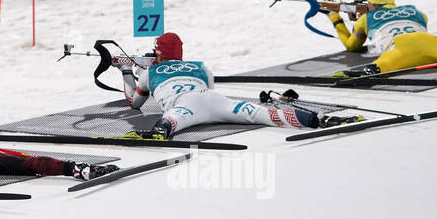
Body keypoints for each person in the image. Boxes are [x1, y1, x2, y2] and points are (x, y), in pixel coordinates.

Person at [115, 32, 351, 140]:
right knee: (266, 114)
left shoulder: (150, 71)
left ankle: (159, 133)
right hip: (215, 99)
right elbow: (208, 88)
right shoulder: (201, 66)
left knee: (171, 121)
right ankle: (320, 120)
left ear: (158, 53)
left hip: (185, 106)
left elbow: (134, 103)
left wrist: (127, 70)